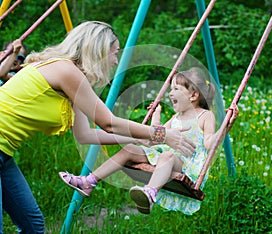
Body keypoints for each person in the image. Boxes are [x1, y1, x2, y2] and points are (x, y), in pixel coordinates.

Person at [0, 21, 196, 233]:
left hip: (4, 153)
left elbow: (85, 135)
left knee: (33, 226)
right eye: (114, 53)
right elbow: (108, 122)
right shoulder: (66, 71)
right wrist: (161, 134)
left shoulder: (69, 77)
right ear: (98, 51)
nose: (115, 61)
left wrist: (137, 138)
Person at [59, 67, 239, 215]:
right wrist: (157, 115)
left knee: (167, 156)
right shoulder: (176, 117)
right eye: (170, 89)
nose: (170, 93)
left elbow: (209, 144)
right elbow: (155, 138)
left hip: (186, 165)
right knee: (130, 149)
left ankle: (150, 193)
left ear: (193, 96)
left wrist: (225, 128)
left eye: (176, 89)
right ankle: (89, 181)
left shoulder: (205, 116)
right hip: (165, 158)